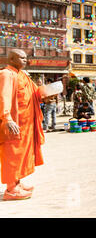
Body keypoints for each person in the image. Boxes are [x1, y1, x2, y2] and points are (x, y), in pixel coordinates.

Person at [0, 49, 45, 200]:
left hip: (26, 127)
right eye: (22, 58)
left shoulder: (23, 75)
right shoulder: (6, 74)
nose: (26, 60)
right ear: (11, 59)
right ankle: (11, 190)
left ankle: (17, 183)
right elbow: (3, 97)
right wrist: (7, 118)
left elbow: (35, 94)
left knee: (20, 156)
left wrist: (46, 94)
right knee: (12, 156)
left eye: (26, 58)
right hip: (13, 126)